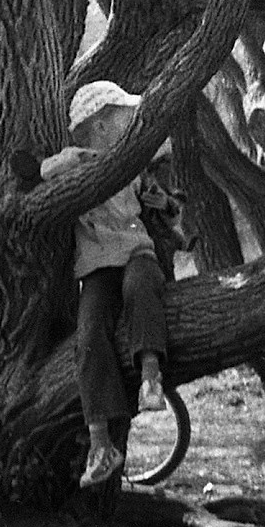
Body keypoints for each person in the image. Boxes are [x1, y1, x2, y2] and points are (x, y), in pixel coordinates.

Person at [41, 81, 169, 488]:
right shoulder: (78, 164)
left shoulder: (131, 166)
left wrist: (161, 202)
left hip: (135, 254)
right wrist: (80, 158)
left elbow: (162, 196)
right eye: (122, 117)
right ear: (98, 125)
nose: (131, 123)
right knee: (90, 333)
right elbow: (46, 170)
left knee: (140, 289)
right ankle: (101, 443)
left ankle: (151, 374)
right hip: (97, 267)